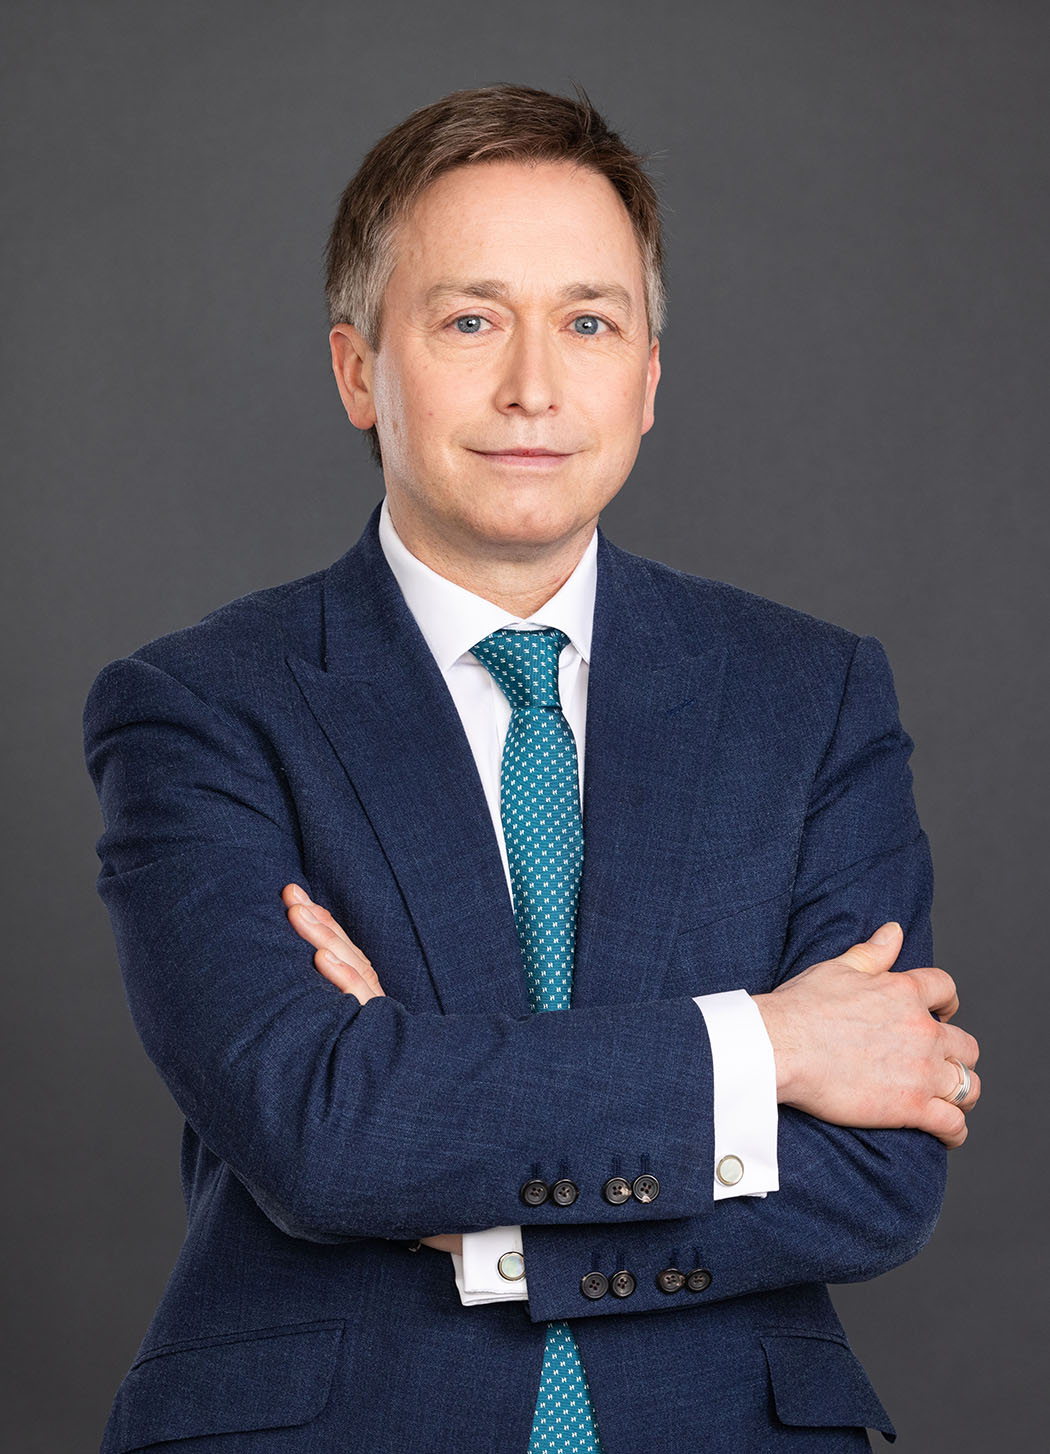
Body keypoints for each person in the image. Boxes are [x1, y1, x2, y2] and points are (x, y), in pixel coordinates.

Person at [84, 85, 980, 1453]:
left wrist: (475, 1202)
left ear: (649, 378)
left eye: (588, 322)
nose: (534, 387)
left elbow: (875, 1173)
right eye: (468, 320)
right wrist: (766, 1046)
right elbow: (320, 1128)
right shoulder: (202, 708)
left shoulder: (811, 696)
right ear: (356, 371)